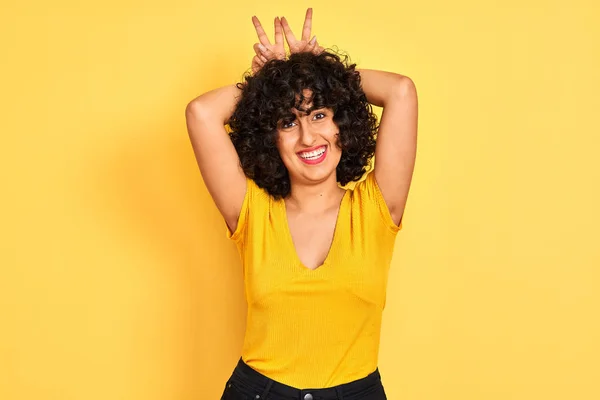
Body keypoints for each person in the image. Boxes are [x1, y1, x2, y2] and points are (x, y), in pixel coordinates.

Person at [185, 8, 418, 400]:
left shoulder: (376, 208)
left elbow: (401, 92)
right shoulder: (253, 212)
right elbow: (201, 113)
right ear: (271, 138)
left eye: (320, 114)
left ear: (341, 123)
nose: (308, 137)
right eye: (288, 122)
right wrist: (270, 82)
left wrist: (317, 71)